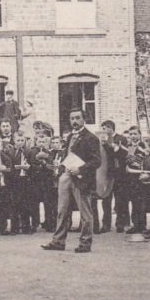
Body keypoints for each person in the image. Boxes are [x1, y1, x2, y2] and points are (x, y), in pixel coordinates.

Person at [42, 108, 101, 253]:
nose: (74, 121)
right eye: (72, 118)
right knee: (62, 210)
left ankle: (85, 243)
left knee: (85, 212)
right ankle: (58, 241)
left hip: (81, 179)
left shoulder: (91, 138)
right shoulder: (69, 136)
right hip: (66, 176)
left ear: (84, 119)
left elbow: (97, 161)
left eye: (77, 118)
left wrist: (80, 169)